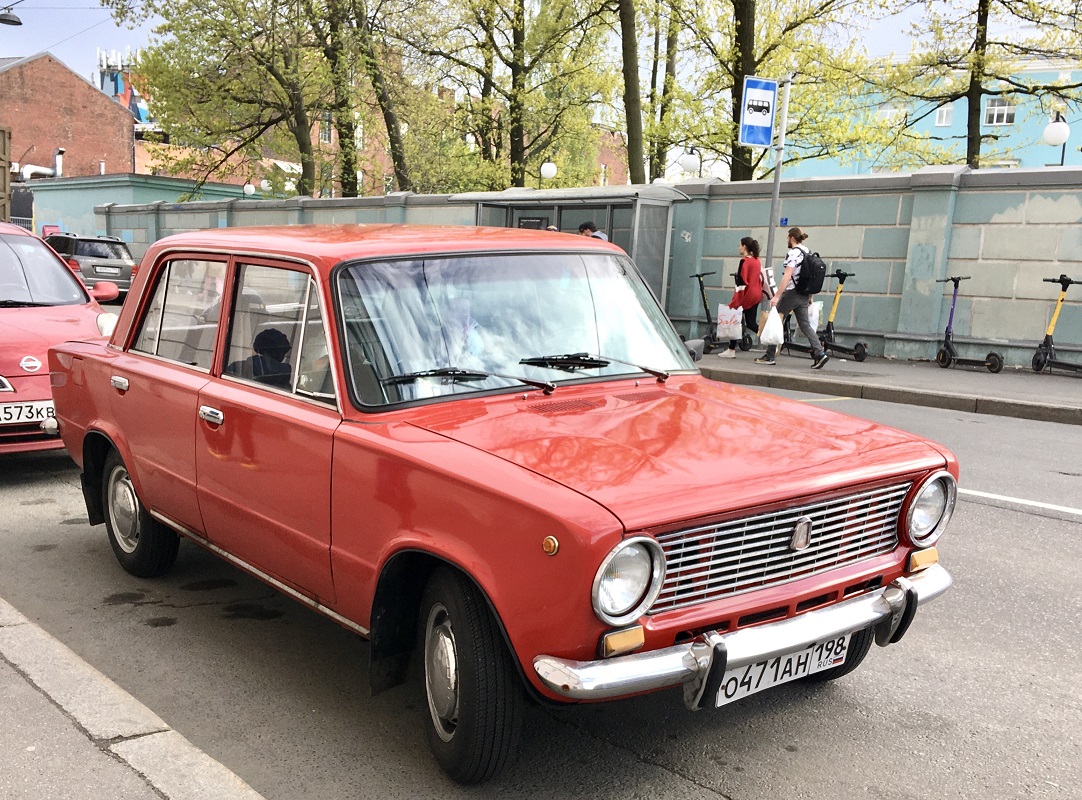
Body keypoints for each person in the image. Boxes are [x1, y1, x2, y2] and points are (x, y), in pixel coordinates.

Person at [756, 227, 829, 369]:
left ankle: (770, 355)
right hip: (803, 293)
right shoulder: (807, 251)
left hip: (792, 293)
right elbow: (809, 276)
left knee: (776, 319)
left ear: (792, 238)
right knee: (805, 325)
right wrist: (810, 295)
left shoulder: (793, 253)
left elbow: (787, 275)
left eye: (787, 238)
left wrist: (777, 296)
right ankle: (820, 353)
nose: (787, 241)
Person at [718, 237, 762, 358]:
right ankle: (771, 340)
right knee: (751, 323)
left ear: (744, 247)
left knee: (734, 320)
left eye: (739, 245)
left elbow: (741, 282)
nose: (738, 247)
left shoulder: (744, 261)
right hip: (756, 294)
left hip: (746, 295)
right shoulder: (757, 260)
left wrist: (735, 301)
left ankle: (731, 350)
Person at [228, 327, 293, 388]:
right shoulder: (283, 379)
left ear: (257, 349)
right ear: (279, 355)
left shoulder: (238, 368)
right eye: (283, 352)